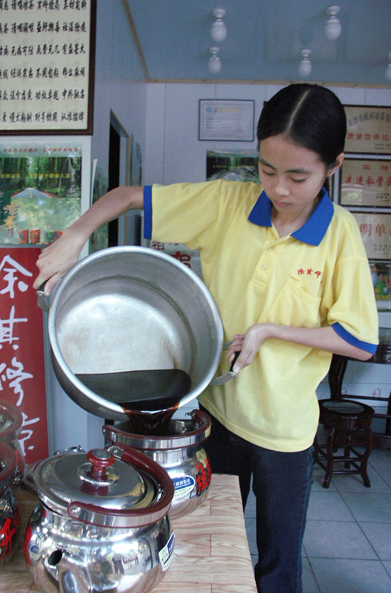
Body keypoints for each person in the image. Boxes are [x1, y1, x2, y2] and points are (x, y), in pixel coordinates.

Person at [34, 84, 378, 593]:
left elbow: (359, 340)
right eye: (266, 169)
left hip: (285, 430)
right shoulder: (227, 203)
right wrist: (76, 235)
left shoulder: (340, 233)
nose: (279, 189)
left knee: (279, 564)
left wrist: (270, 331)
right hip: (215, 415)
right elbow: (128, 198)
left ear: (334, 165)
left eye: (297, 175)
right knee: (211, 540)